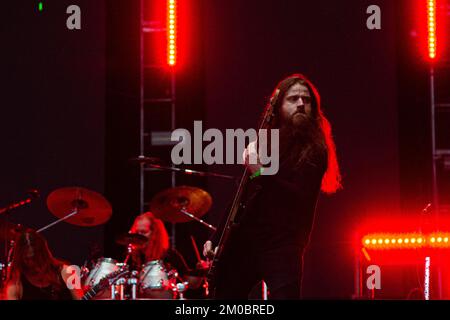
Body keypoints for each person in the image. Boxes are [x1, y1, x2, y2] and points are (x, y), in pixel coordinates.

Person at [203, 73, 342, 299]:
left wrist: (259, 170)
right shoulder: (265, 141)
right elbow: (242, 195)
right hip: (246, 241)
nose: (300, 104)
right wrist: (217, 237)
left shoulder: (316, 149)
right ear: (277, 106)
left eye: (306, 100)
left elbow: (297, 195)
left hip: (283, 244)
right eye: (293, 98)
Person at [4, 229, 83, 300]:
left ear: (44, 254)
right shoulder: (15, 287)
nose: (32, 263)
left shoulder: (67, 272)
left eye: (35, 258)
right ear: (20, 259)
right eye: (27, 259)